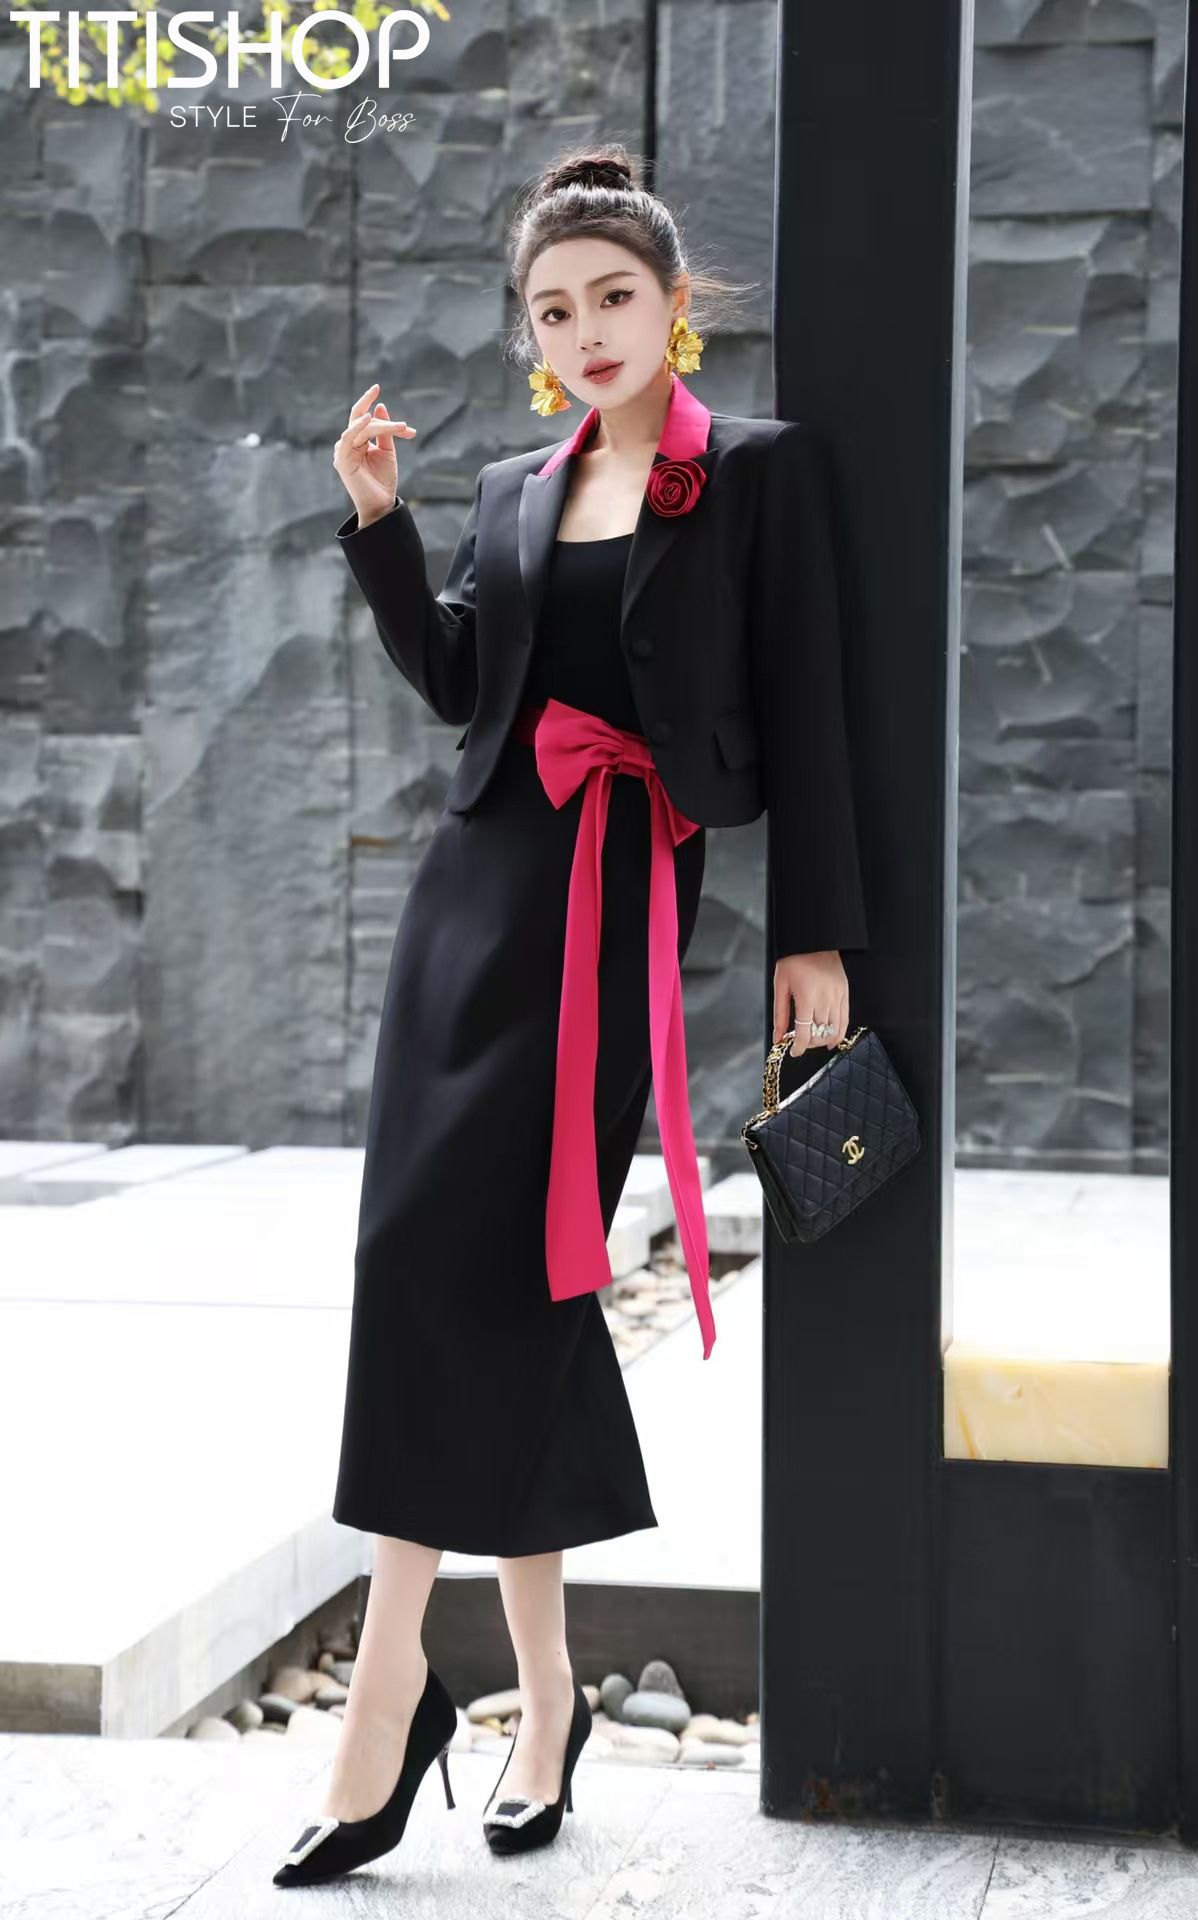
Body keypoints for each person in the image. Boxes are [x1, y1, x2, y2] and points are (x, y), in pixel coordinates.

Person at [272, 142, 869, 1889]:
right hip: (467, 906)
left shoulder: (753, 474)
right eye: (551, 309)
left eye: (613, 296)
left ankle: (388, 1693)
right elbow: (465, 684)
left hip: (609, 916)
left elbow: (812, 711)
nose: (585, 328)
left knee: (489, 1268)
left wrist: (816, 939)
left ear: (674, 306)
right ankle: (541, 1703)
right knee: (451, 1268)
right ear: (529, 336)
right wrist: (379, 522)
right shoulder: (513, 486)